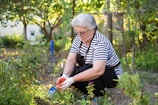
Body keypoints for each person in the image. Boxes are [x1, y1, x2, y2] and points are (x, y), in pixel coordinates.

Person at [56, 13, 123, 97]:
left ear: (92, 29)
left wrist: (72, 80)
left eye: (82, 33)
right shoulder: (78, 39)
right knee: (69, 74)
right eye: (78, 32)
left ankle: (99, 95)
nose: (79, 36)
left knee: (83, 71)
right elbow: (71, 60)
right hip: (92, 71)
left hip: (111, 76)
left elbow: (98, 71)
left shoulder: (100, 42)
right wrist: (65, 76)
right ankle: (88, 93)